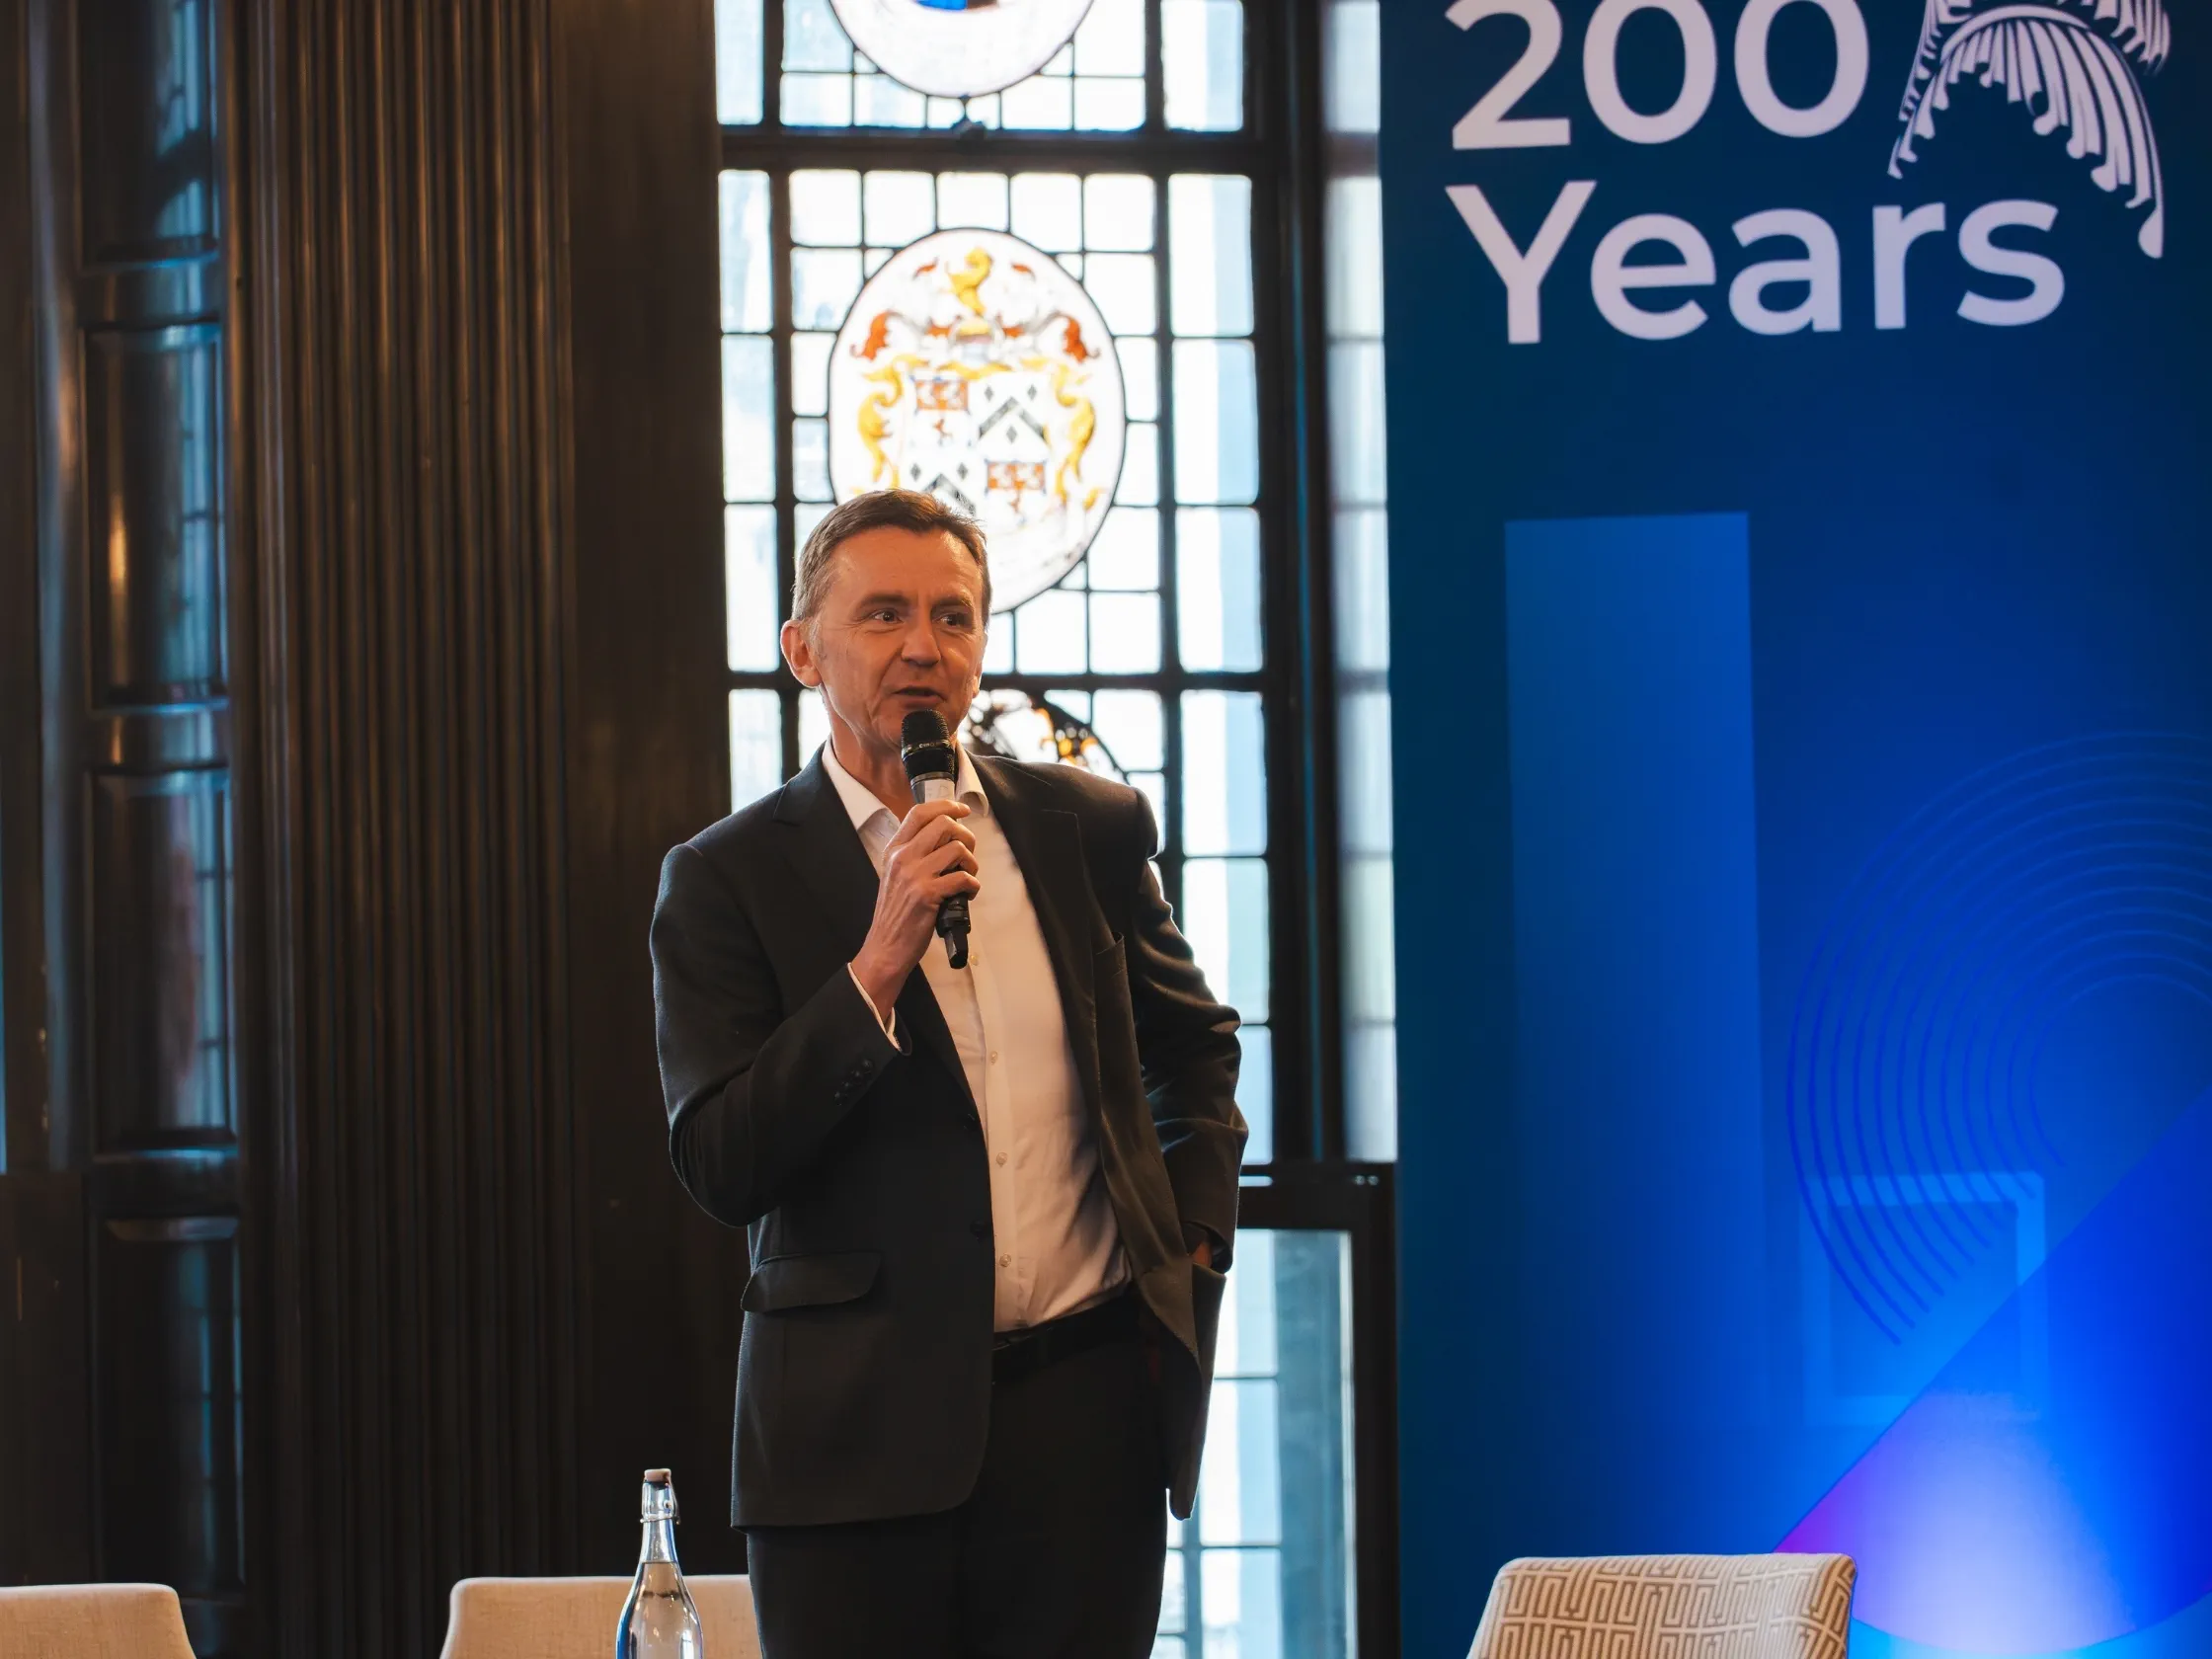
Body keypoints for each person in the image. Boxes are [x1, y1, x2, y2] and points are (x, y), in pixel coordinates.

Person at [650, 489, 1246, 1658]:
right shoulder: (723, 880)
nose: (922, 645)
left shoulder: (1092, 827)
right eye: (880, 615)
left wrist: (1188, 1243)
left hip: (1088, 1420)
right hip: (851, 1445)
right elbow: (722, 1159)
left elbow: (1194, 1050)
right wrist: (876, 965)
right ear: (801, 651)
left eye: (953, 617)